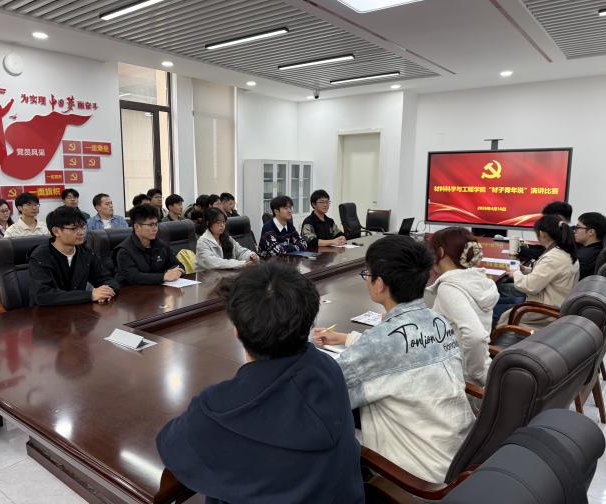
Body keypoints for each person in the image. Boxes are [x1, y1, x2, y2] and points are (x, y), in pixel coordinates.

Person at [157, 262, 364, 503]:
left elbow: (171, 445)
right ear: (308, 322)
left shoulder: (220, 408)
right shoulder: (328, 368)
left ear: (237, 330)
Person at [313, 236, 474, 483]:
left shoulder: (381, 342)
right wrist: (346, 338)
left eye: (367, 274)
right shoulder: (438, 321)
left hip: (419, 477)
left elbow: (324, 390)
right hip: (460, 453)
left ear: (379, 284)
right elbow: (402, 351)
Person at [426, 227, 499, 388]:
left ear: (440, 252)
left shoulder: (449, 288)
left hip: (458, 380)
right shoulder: (479, 280)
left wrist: (476, 374)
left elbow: (475, 336)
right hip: (480, 367)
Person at [495, 215, 580, 329]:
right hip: (552, 302)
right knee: (496, 301)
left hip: (543, 311)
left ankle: (494, 336)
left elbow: (529, 286)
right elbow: (549, 275)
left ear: (542, 233)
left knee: (493, 310)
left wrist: (515, 273)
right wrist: (526, 270)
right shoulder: (564, 251)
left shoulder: (553, 257)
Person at [28, 207, 119, 306]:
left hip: (78, 309)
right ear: (56, 231)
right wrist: (90, 295)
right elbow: (43, 295)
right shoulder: (40, 256)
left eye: (83, 227)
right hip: (47, 312)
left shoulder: (86, 252)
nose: (81, 232)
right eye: (73, 228)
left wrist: (107, 291)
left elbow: (104, 278)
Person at [114, 204, 185, 285]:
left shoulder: (161, 245)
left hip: (159, 289)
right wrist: (163, 277)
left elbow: (178, 265)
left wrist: (175, 271)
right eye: (151, 225)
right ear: (137, 227)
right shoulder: (124, 251)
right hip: (133, 290)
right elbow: (133, 277)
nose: (155, 229)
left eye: (156, 224)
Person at [573, 212, 606, 279]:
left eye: (578, 227)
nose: (574, 231)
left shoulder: (582, 258)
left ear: (591, 232)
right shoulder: (599, 249)